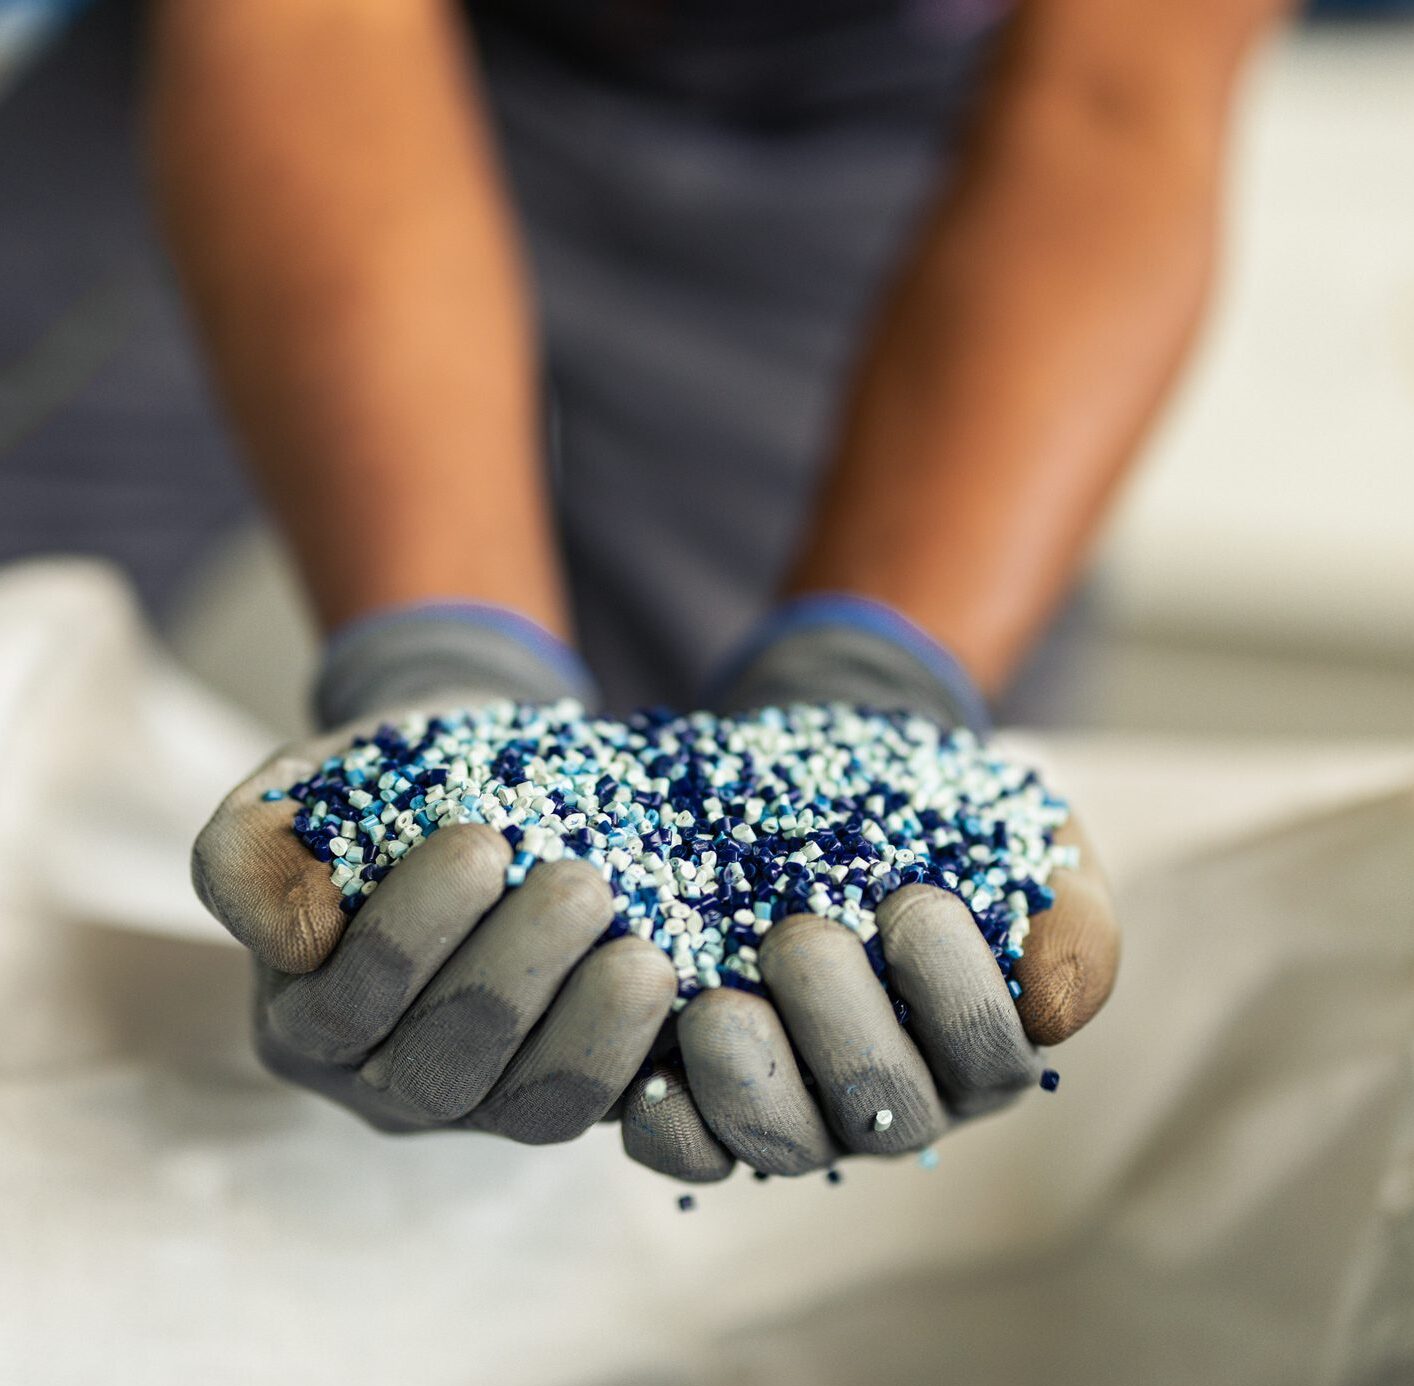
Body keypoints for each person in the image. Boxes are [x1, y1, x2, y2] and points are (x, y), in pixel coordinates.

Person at [14, 0, 1287, 1180]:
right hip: (294, 75)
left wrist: (882, 675)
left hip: (893, 132)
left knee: (763, 1025)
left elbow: (1115, 95)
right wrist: (445, 660)